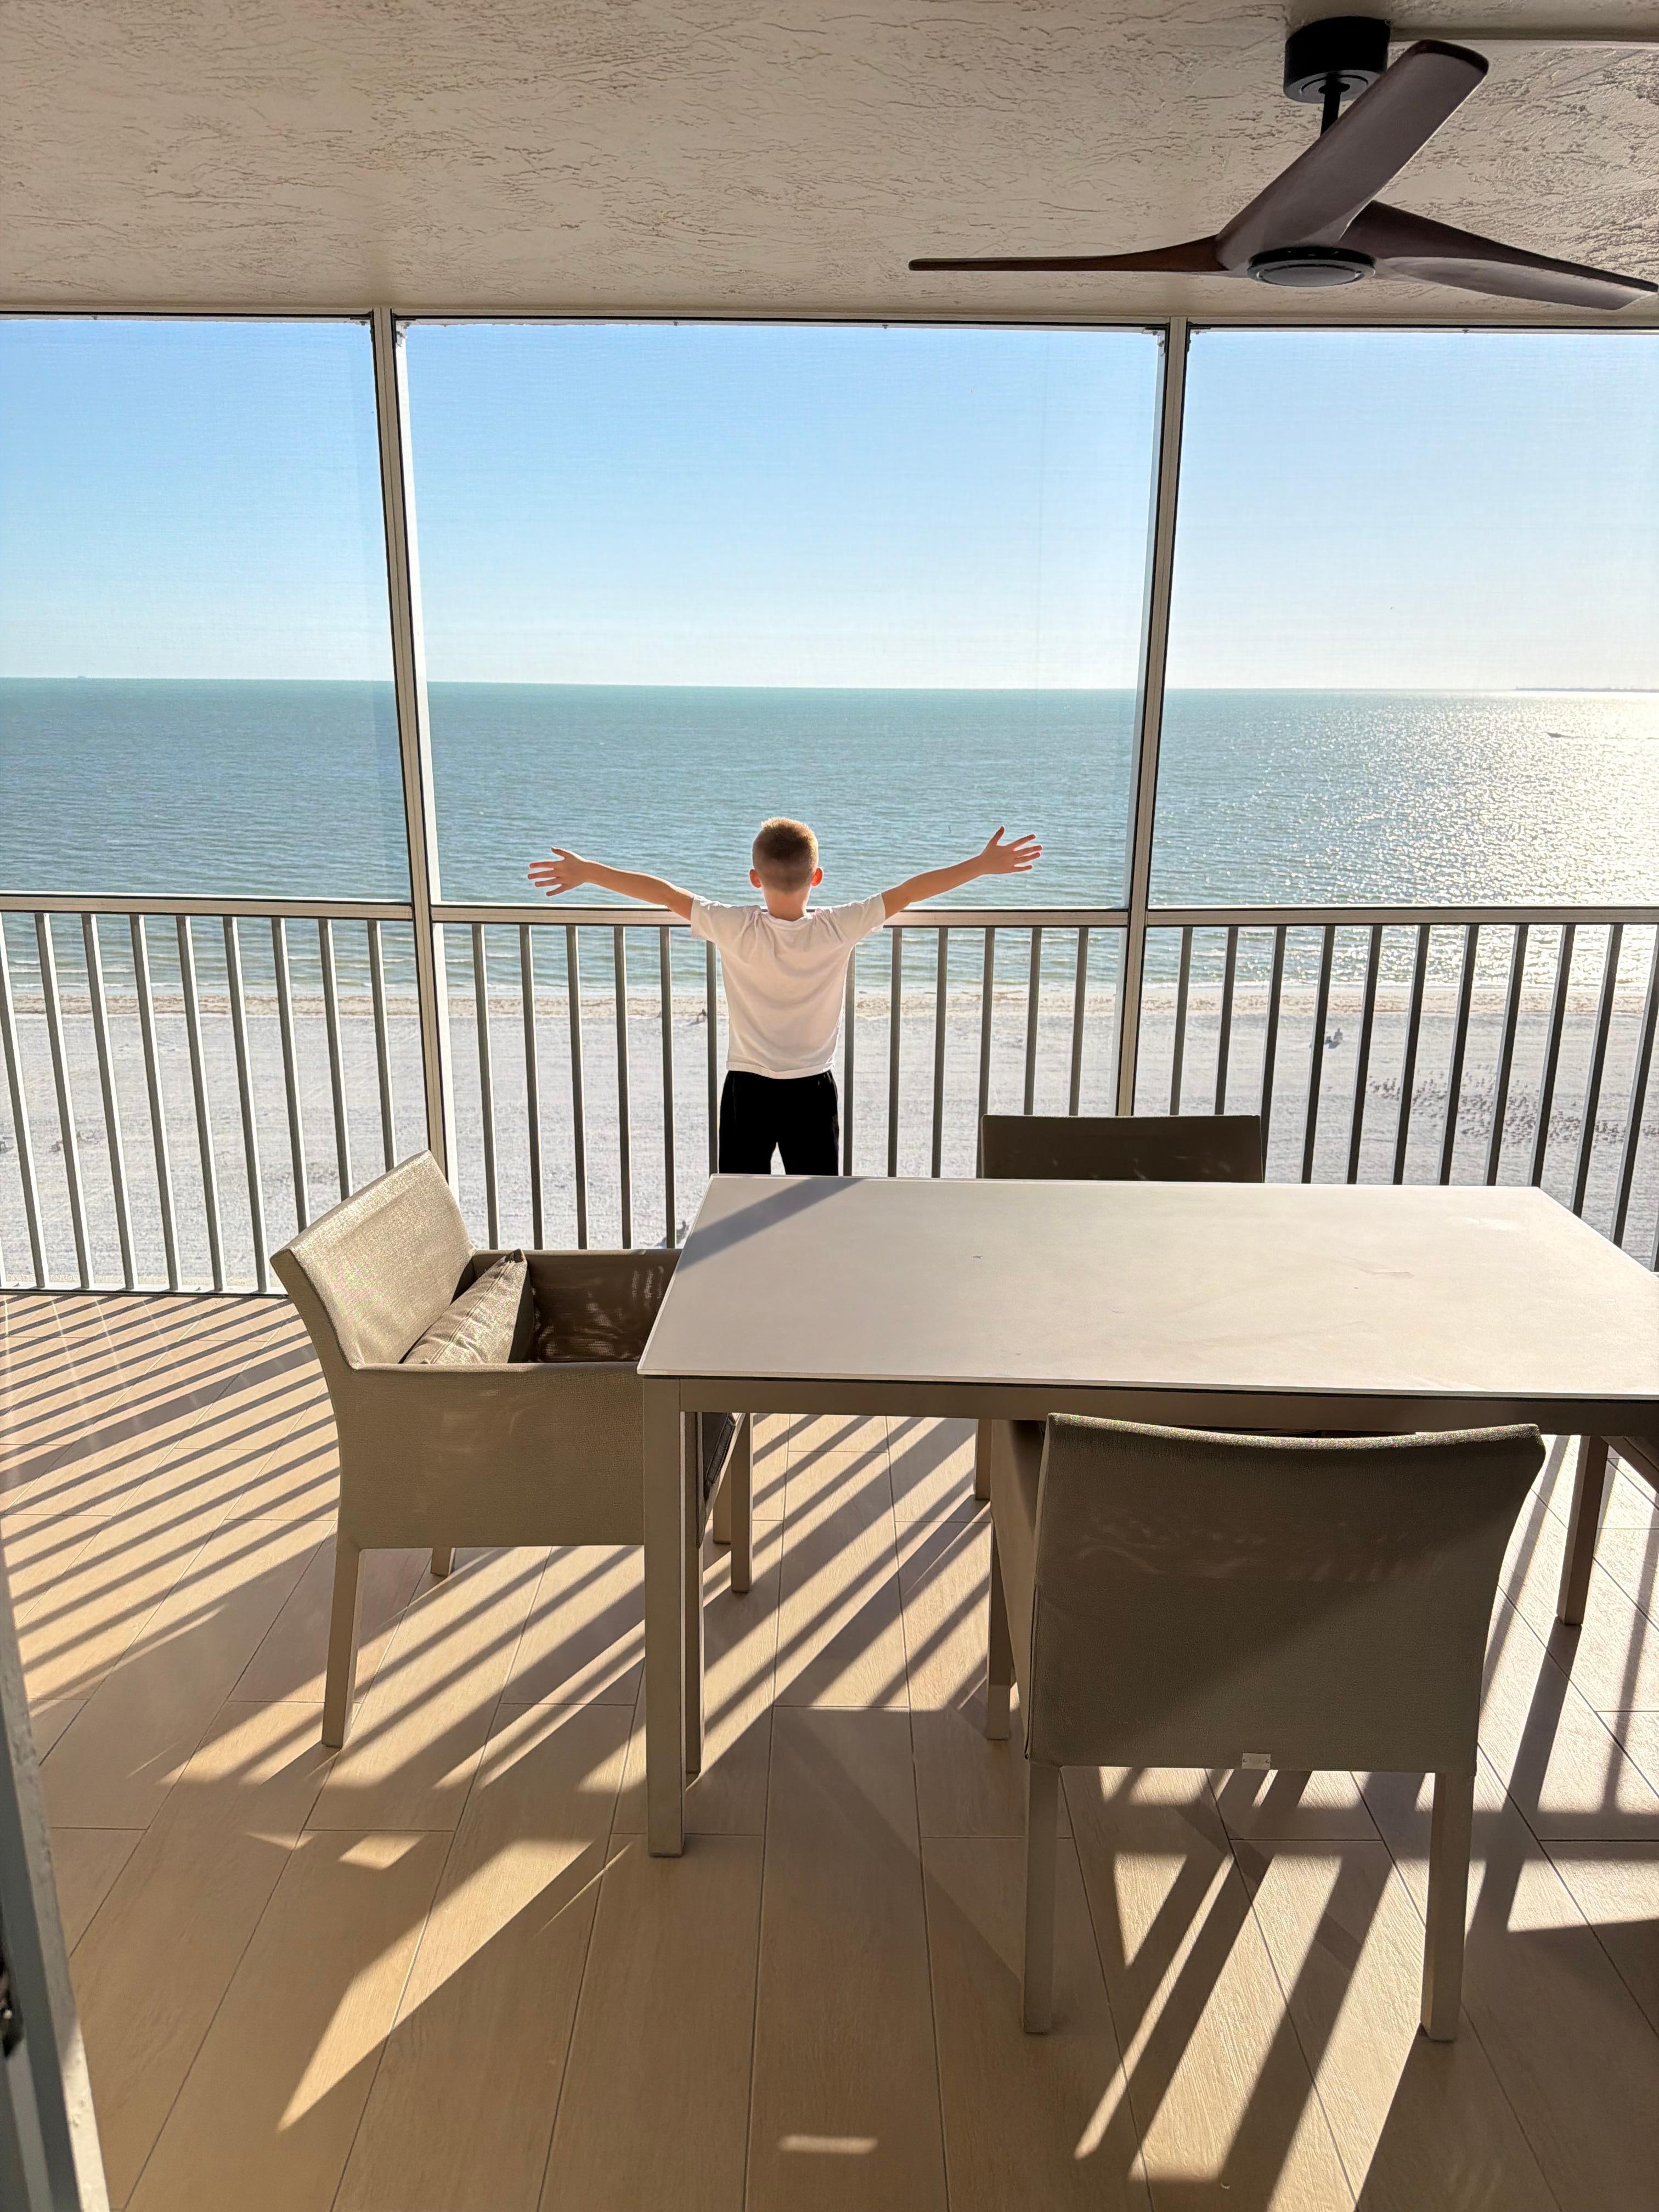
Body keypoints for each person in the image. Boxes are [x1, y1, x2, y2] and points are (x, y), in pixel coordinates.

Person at [527, 818, 1041, 1174]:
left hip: (748, 1089)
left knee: (738, 1198)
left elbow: (664, 894)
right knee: (810, 1201)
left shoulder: (735, 928)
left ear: (755, 879)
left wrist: (589, 871)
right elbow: (909, 892)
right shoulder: (838, 928)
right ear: (817, 877)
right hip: (812, 1091)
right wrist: (981, 865)